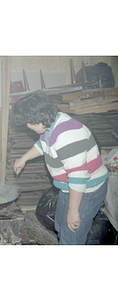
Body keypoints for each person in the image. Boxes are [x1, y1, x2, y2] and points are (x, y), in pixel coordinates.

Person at [12, 91, 108, 245]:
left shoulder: (68, 135)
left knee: (72, 235)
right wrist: (23, 159)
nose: (27, 126)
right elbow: (42, 144)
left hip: (87, 189)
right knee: (60, 225)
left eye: (28, 123)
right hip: (69, 187)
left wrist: (73, 211)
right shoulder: (50, 124)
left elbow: (78, 177)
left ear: (38, 119)